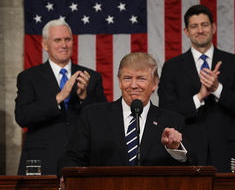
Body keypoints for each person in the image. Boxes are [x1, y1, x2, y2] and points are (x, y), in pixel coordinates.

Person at [57, 52, 197, 189]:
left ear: (155, 84)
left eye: (141, 78)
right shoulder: (92, 116)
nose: (133, 85)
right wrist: (66, 176)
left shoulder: (172, 120)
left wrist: (175, 149)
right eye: (127, 78)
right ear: (119, 81)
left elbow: (190, 167)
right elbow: (72, 157)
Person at [157, 5, 235, 172]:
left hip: (228, 151)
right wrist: (199, 97)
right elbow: (167, 110)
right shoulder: (172, 67)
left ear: (213, 27)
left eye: (205, 25)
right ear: (186, 31)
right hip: (189, 149)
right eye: (194, 26)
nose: (200, 30)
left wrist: (217, 89)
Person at [15, 20, 107, 175]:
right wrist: (59, 97)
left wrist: (84, 97)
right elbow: (22, 116)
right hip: (42, 160)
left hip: (82, 159)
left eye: (68, 39)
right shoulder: (28, 77)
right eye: (57, 40)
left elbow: (104, 119)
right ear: (44, 45)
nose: (64, 45)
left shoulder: (91, 77)